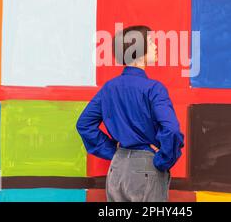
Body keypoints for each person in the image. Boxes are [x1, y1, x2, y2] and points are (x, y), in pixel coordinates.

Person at [76, 25, 185, 202]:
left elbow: (84, 125)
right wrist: (162, 160)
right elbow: (171, 130)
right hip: (147, 168)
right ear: (137, 50)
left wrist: (113, 152)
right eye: (150, 42)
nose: (156, 46)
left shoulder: (109, 88)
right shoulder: (154, 89)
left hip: (117, 169)